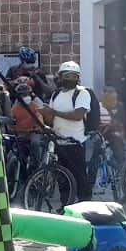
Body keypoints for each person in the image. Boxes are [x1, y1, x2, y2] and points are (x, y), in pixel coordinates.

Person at [47, 61, 93, 205]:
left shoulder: (82, 93)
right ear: (60, 77)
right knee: (63, 179)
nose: (71, 79)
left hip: (75, 143)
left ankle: (85, 207)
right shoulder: (55, 94)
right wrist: (44, 115)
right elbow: (51, 118)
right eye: (67, 75)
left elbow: (78, 115)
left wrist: (53, 112)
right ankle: (65, 207)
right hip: (58, 142)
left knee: (80, 178)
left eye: (74, 76)